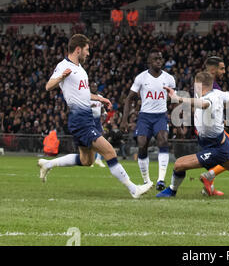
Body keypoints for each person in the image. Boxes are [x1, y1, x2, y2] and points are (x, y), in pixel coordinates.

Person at [38, 34, 152, 199]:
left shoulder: (81, 70)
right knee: (109, 151)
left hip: (86, 117)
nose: (88, 53)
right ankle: (134, 189)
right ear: (78, 49)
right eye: (87, 50)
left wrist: (99, 98)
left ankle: (48, 164)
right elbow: (48, 86)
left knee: (87, 161)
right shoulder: (63, 66)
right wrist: (62, 77)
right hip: (80, 119)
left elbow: (83, 94)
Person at [156, 72, 229, 199]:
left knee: (179, 164)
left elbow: (204, 104)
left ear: (198, 85)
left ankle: (172, 190)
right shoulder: (218, 94)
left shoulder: (208, 99)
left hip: (215, 148)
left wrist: (178, 98)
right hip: (220, 142)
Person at [121, 48, 176, 191]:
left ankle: (161, 180)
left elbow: (174, 98)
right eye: (155, 59)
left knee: (163, 140)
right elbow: (129, 99)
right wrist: (124, 120)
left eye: (160, 58)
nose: (159, 61)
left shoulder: (169, 79)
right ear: (149, 62)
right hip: (145, 116)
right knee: (141, 144)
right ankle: (147, 181)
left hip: (160, 116)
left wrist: (174, 113)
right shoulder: (141, 78)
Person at [197, 56, 229, 196]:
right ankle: (210, 176)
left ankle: (209, 183)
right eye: (222, 68)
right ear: (213, 70)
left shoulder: (206, 83)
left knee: (220, 155)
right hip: (209, 130)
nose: (224, 71)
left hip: (210, 127)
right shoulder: (208, 85)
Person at [90, 81, 106, 167]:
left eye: (95, 87)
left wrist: (104, 114)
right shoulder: (87, 97)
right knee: (91, 140)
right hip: (89, 120)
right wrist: (89, 107)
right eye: (92, 87)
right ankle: (91, 160)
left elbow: (102, 108)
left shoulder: (100, 97)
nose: (94, 88)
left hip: (97, 121)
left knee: (101, 138)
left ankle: (98, 159)